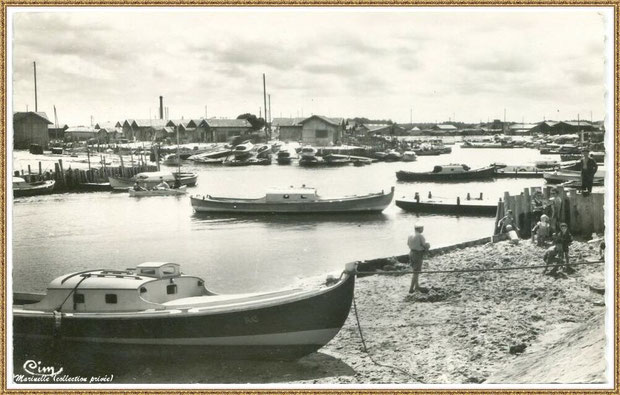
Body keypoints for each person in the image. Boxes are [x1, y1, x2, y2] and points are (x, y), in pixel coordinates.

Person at [407, 223, 430, 294]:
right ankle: (411, 289)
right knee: (416, 272)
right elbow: (424, 245)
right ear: (419, 228)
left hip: (411, 253)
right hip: (417, 254)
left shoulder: (410, 235)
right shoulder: (420, 236)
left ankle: (416, 286)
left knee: (415, 270)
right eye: (422, 228)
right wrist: (427, 247)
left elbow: (408, 244)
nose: (423, 229)